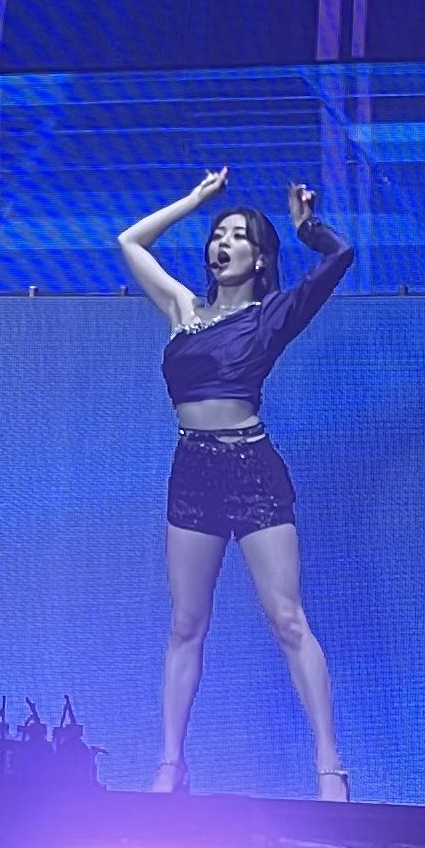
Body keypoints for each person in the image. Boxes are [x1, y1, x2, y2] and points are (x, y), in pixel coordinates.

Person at [117, 170, 355, 801]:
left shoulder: (272, 315)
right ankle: (171, 766)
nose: (223, 243)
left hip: (251, 468)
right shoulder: (183, 310)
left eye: (238, 235)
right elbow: (130, 243)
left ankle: (330, 768)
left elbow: (341, 257)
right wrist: (195, 201)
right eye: (217, 235)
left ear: (261, 256)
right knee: (185, 624)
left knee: (288, 620)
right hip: (193, 471)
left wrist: (308, 228)